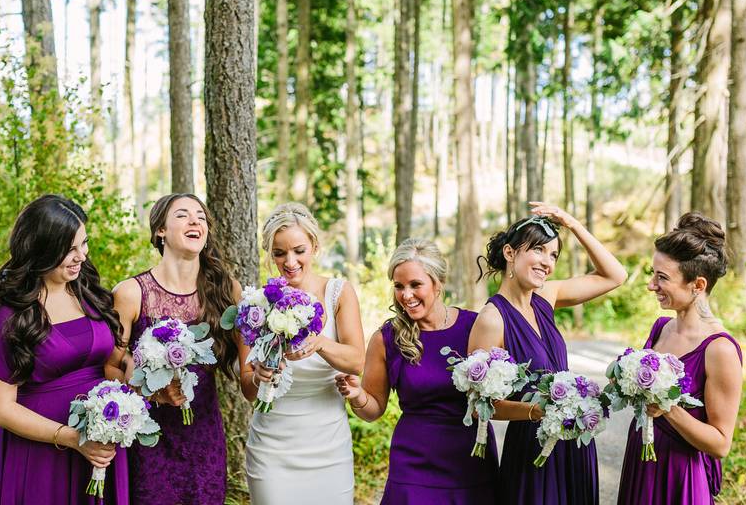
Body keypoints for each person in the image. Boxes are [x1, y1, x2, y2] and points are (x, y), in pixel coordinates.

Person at [468, 201, 627, 504]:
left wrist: (572, 224)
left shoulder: (547, 296)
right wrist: (536, 411)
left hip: (574, 441)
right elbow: (480, 406)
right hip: (532, 447)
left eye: (553, 254)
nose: (547, 262)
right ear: (510, 253)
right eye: (538, 250)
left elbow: (615, 275)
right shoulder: (492, 319)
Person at [0, 195, 127, 504]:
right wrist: (72, 438)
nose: (80, 256)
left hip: (101, 444)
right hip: (40, 455)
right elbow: (0, 409)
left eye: (83, 244)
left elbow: (115, 359)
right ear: (41, 249)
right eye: (68, 249)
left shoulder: (91, 294)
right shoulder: (7, 317)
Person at [336, 238, 498, 504]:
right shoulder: (386, 338)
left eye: (415, 284)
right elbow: (373, 408)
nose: (406, 295)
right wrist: (356, 395)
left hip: (471, 458)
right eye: (398, 286)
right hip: (414, 462)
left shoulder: (476, 326)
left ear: (438, 283)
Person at [105, 193, 239, 505]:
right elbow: (111, 368)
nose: (195, 221)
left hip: (205, 436)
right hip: (150, 438)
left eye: (201, 217)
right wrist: (149, 391)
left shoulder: (225, 290)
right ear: (160, 231)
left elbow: (246, 361)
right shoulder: (130, 293)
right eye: (182, 215)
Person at [242, 202, 366, 504]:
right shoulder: (257, 304)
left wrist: (321, 343)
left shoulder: (338, 292)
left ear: (314, 246)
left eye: (299, 250)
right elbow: (247, 389)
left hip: (328, 446)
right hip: (271, 448)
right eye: (279, 253)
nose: (290, 261)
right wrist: (259, 376)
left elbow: (357, 361)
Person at [617, 213, 743, 505]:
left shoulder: (719, 349)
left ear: (698, 285)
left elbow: (721, 443)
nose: (651, 285)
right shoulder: (660, 328)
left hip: (679, 475)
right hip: (641, 462)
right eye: (653, 274)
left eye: (662, 277)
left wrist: (668, 408)